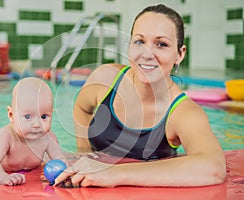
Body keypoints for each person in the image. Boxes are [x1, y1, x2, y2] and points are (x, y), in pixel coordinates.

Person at [54, 4, 226, 188]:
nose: (146, 54)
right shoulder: (106, 79)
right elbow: (82, 107)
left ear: (179, 54)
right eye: (139, 41)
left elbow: (213, 168)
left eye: (161, 44)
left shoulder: (183, 113)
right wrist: (84, 152)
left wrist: (113, 173)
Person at [0, 77, 67, 186]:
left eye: (44, 116)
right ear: (11, 115)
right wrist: (3, 177)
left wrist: (65, 172)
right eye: (28, 116)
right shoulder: (6, 135)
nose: (36, 124)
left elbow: (60, 159)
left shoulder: (48, 138)